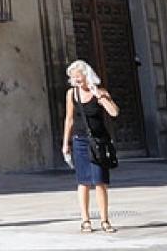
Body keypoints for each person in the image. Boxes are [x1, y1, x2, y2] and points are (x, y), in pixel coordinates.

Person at [62, 59, 122, 233]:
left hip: (99, 142)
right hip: (80, 141)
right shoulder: (71, 94)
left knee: (100, 182)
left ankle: (104, 220)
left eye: (78, 77)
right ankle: (85, 220)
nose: (76, 81)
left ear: (87, 76)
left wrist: (100, 97)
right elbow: (69, 119)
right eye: (73, 79)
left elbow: (114, 112)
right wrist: (66, 142)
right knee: (83, 182)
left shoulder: (100, 92)